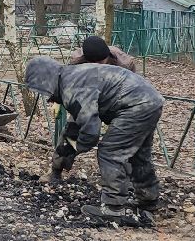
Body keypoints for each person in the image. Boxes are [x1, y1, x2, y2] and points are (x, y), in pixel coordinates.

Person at [24, 56, 163, 227]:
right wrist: (56, 169)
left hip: (136, 105)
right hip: (150, 100)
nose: (48, 99)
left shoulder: (71, 88)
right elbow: (73, 130)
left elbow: (90, 133)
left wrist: (77, 147)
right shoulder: (72, 77)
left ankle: (113, 208)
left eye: (44, 92)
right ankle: (148, 198)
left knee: (110, 152)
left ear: (46, 81)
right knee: (138, 154)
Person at [68, 34, 138, 73]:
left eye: (100, 62)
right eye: (93, 63)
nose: (98, 65)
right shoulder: (76, 61)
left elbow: (133, 84)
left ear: (108, 56)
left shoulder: (124, 64)